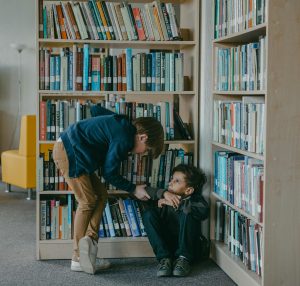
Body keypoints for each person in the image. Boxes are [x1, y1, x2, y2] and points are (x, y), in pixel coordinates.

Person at [52, 105, 164, 274]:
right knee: (87, 201)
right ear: (142, 137)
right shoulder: (124, 139)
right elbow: (109, 173)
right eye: (146, 151)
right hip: (70, 152)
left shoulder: (123, 122)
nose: (141, 155)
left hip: (76, 151)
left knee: (101, 195)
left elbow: (95, 109)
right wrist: (134, 189)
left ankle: (89, 244)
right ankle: (77, 258)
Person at [142, 164, 209, 277]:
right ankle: (164, 259)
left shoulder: (195, 201)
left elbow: (204, 211)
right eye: (172, 179)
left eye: (176, 181)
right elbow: (145, 190)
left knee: (187, 212)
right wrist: (162, 196)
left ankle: (184, 259)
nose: (170, 183)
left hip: (190, 248)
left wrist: (179, 204)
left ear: (188, 190)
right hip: (169, 247)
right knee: (148, 214)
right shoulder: (166, 197)